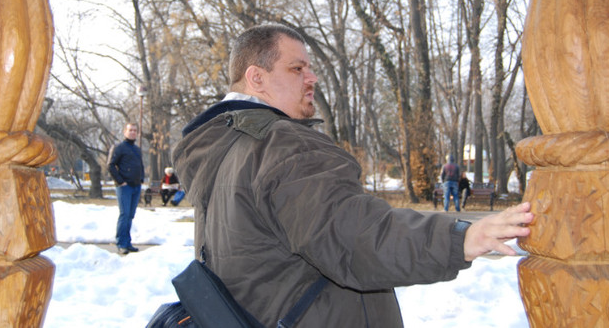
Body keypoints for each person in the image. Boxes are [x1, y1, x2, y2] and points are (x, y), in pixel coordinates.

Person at [173, 24, 533, 327]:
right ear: (257, 78)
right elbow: (354, 236)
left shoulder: (223, 150)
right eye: (297, 69)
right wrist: (462, 237)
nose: (312, 78)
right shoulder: (280, 143)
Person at [107, 122, 144, 255]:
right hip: (124, 187)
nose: (132, 132)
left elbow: (141, 165)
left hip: (136, 186)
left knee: (130, 215)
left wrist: (141, 179)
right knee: (124, 214)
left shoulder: (137, 149)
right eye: (130, 130)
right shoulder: (119, 147)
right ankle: (121, 243)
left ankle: (127, 242)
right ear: (125, 132)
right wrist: (120, 181)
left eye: (135, 130)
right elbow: (110, 165)